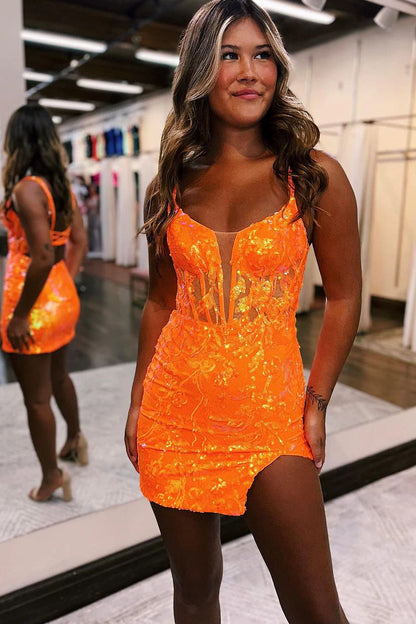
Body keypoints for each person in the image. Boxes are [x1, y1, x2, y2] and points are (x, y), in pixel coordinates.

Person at [125, 1, 361, 622]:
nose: (249, 71)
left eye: (262, 55)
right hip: (175, 414)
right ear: (201, 71)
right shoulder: (170, 185)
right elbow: (160, 301)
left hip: (270, 417)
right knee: (195, 591)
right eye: (229, 55)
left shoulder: (314, 176)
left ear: (278, 69)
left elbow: (344, 297)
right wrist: (138, 401)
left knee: (316, 609)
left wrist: (317, 401)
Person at [1, 103, 89, 502]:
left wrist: (20, 315)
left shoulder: (25, 190)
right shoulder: (61, 187)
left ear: (17, 141)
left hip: (30, 302)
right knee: (59, 376)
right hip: (58, 294)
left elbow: (38, 255)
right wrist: (63, 282)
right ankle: (75, 439)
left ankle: (52, 477)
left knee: (36, 399)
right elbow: (78, 242)